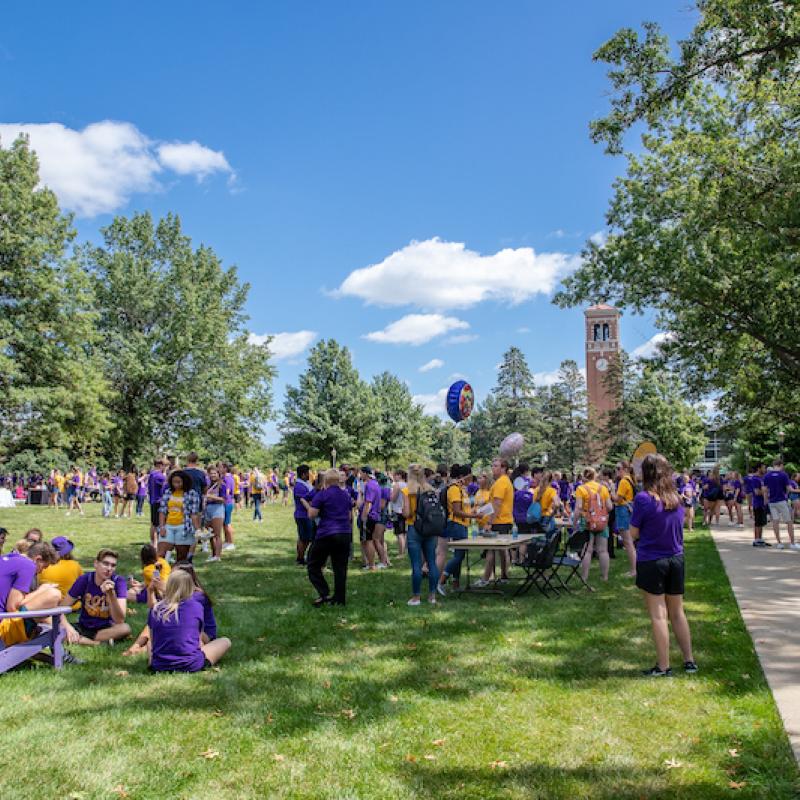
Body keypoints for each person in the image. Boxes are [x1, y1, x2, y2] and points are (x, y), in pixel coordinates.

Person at [630, 453, 697, 676]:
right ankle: (689, 661)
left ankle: (663, 665)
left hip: (652, 560)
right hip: (676, 559)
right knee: (677, 612)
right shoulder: (676, 498)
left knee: (659, 615)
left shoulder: (643, 499)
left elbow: (633, 532)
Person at [147, 571, 230, 672]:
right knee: (225, 641)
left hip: (159, 666)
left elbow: (153, 639)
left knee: (149, 644)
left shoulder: (155, 609)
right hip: (191, 665)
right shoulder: (196, 606)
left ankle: (155, 663)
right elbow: (198, 640)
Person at [63, 549, 131, 646]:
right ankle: (97, 643)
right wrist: (67, 627)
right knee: (57, 630)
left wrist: (111, 594)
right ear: (96, 564)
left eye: (113, 565)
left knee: (125, 628)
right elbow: (61, 608)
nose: (109, 568)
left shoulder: (119, 582)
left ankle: (83, 640)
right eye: (105, 564)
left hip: (106, 628)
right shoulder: (85, 580)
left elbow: (119, 620)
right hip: (84, 626)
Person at [0, 542, 61, 648]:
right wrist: (42, 590)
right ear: (38, 559)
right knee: (53, 594)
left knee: (45, 610)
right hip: (3, 626)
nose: (41, 571)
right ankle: (59, 649)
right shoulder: (28, 565)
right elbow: (12, 607)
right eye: (44, 567)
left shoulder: (7, 558)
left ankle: (59, 649)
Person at [306, 468, 353, 606]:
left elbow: (312, 515)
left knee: (313, 563)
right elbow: (350, 515)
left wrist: (308, 506)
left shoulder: (322, 495)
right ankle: (339, 599)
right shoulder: (346, 495)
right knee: (340, 567)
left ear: (325, 480)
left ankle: (324, 592)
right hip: (344, 533)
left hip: (326, 533)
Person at [402, 464, 441, 605]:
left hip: (414, 528)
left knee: (416, 564)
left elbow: (406, 513)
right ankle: (432, 596)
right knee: (431, 562)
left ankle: (416, 597)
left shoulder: (407, 491)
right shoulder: (431, 490)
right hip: (430, 528)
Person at [473, 458, 514, 588]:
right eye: (492, 465)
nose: (493, 468)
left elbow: (497, 504)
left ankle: (485, 579)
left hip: (499, 521)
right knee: (502, 550)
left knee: (491, 549)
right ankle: (504, 576)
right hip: (505, 520)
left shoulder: (501, 483)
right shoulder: (503, 481)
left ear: (503, 468)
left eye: (496, 466)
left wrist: (489, 522)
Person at [438, 465, 476, 595]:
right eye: (470, 475)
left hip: (463, 525)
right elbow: (456, 511)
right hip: (456, 525)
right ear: (463, 476)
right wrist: (474, 516)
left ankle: (456, 583)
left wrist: (474, 512)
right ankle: (441, 581)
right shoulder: (454, 490)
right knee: (459, 556)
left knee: (459, 555)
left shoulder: (463, 490)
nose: (471, 478)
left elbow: (465, 508)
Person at [574, 467, 613, 585]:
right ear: (595, 476)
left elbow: (578, 507)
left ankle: (584, 577)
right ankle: (605, 577)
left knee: (587, 550)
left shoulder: (581, 489)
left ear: (584, 476)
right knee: (603, 550)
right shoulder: (603, 488)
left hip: (587, 522)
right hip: (602, 522)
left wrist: (575, 522)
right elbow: (610, 507)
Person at [158, 470, 201, 563]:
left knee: (181, 557)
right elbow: (162, 510)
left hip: (184, 527)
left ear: (184, 482)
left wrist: (197, 529)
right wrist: (162, 526)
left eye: (179, 482)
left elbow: (194, 514)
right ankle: (160, 575)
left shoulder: (192, 494)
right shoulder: (168, 492)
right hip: (168, 526)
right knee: (161, 553)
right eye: (174, 482)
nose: (176, 485)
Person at [763, 459, 799, 549]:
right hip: (782, 500)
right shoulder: (783, 475)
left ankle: (779, 543)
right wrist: (798, 490)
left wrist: (766, 500)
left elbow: (765, 490)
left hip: (772, 501)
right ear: (781, 465)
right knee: (789, 521)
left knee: (775, 521)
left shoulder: (767, 475)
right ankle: (792, 543)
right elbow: (789, 489)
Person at [40, 536, 84, 606]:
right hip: (70, 605)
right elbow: (83, 585)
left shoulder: (43, 566)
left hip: (46, 603)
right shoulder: (75, 565)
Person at [614, 461, 637, 577]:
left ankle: (634, 570)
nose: (617, 471)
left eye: (618, 468)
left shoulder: (623, 481)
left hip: (623, 511)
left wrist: (608, 491)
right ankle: (634, 569)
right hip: (627, 510)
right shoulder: (630, 479)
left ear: (625, 469)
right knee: (629, 542)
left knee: (628, 542)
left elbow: (617, 499)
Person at [203, 466, 226, 562]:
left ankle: (217, 556)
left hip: (217, 509)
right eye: (211, 473)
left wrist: (211, 496)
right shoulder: (208, 485)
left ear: (218, 474)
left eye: (214, 473)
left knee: (217, 534)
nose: (212, 475)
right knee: (210, 534)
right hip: (207, 509)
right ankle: (213, 554)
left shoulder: (222, 485)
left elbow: (223, 499)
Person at [293, 465, 315, 566]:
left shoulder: (305, 484)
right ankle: (300, 559)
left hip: (305, 515)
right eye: (307, 473)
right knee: (304, 538)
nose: (309, 475)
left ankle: (301, 557)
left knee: (305, 538)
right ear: (303, 474)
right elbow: (306, 501)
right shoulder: (299, 486)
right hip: (303, 515)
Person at [749, 463, 770, 547]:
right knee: (758, 522)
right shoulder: (755, 479)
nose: (765, 469)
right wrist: (766, 491)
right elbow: (756, 492)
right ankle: (756, 539)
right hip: (758, 503)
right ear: (759, 469)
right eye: (763, 468)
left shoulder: (762, 478)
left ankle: (760, 539)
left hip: (762, 504)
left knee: (761, 522)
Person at [147, 459, 167, 545]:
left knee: (153, 524)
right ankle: (156, 544)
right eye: (165, 466)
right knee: (159, 524)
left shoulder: (151, 474)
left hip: (153, 500)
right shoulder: (159, 476)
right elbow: (167, 485)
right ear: (161, 465)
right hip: (159, 501)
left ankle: (153, 543)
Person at [390, 470, 408, 557]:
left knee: (399, 533)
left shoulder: (398, 485)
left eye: (395, 475)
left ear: (399, 476)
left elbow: (393, 498)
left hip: (397, 510)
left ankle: (401, 553)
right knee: (403, 532)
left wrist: (390, 495)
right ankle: (403, 551)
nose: (393, 477)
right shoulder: (407, 484)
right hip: (405, 510)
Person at [221, 463, 236, 551]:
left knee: (227, 524)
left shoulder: (228, 478)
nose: (219, 469)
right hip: (225, 503)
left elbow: (227, 492)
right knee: (224, 524)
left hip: (227, 503)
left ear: (225, 468)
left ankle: (231, 542)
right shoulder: (224, 478)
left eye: (221, 467)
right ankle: (226, 541)